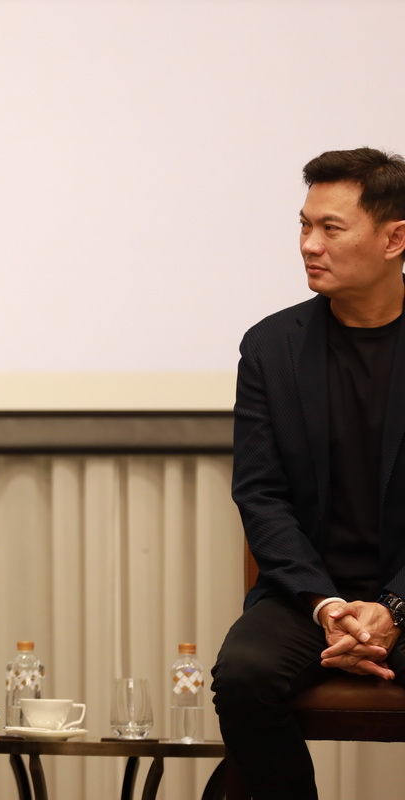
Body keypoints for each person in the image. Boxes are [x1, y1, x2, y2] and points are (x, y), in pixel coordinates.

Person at [213, 147, 405, 798]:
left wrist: (393, 609)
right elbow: (260, 496)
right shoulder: (272, 347)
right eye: (303, 225)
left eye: (330, 228)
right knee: (242, 676)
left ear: (394, 239)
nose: (308, 245)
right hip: (304, 597)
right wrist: (328, 606)